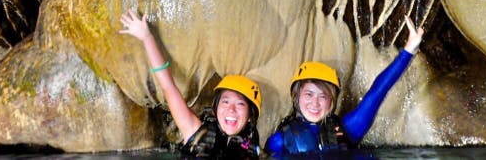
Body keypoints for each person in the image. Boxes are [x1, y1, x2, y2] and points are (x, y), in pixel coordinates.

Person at [265, 16, 424, 157]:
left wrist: (408, 50)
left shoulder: (349, 128)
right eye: (309, 94)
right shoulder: (279, 141)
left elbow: (378, 91)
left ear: (331, 102)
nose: (315, 103)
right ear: (296, 97)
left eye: (323, 96)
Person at [119, 8, 262, 158]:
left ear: (250, 115)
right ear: (215, 108)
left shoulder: (251, 149)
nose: (231, 110)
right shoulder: (195, 132)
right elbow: (168, 86)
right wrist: (147, 37)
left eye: (240, 104)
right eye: (225, 102)